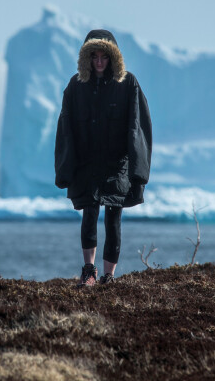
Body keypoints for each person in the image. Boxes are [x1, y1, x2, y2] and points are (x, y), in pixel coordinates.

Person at [54, 29, 152, 287]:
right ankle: (89, 272)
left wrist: (138, 171)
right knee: (89, 212)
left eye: (104, 57)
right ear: (86, 57)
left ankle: (109, 276)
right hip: (87, 165)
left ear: (113, 58)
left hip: (116, 167)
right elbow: (66, 128)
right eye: (94, 56)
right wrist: (66, 168)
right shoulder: (76, 86)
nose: (99, 62)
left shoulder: (128, 83)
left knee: (113, 217)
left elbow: (137, 126)